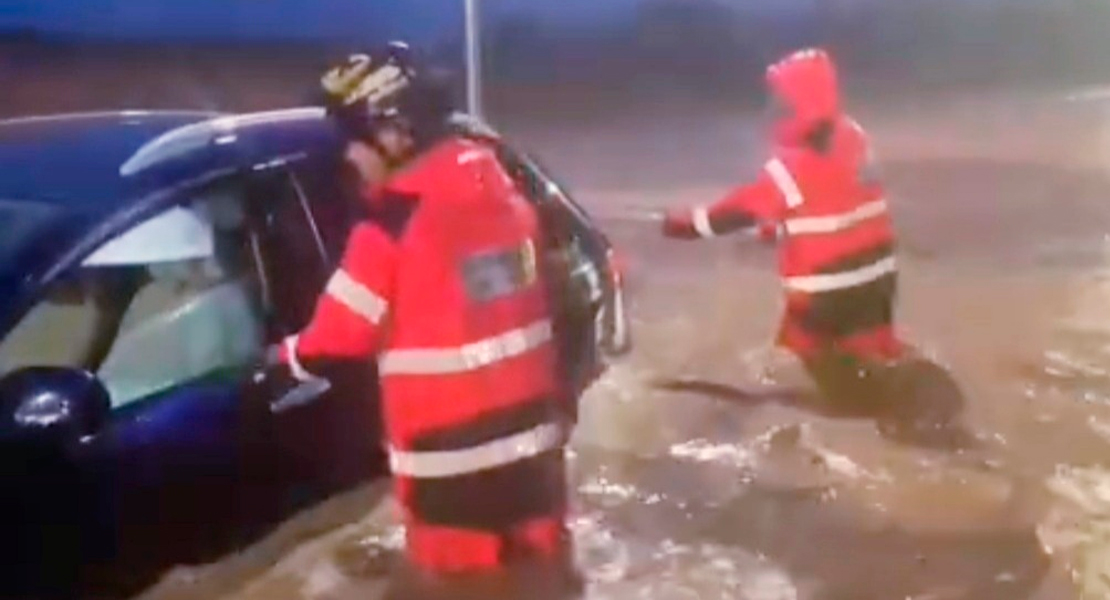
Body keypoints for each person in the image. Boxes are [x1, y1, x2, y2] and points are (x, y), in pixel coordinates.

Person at [273, 43, 575, 581]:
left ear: (393, 133)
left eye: (352, 140)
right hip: (535, 458)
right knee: (543, 574)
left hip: (450, 472)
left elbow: (340, 334)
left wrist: (284, 358)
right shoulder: (510, 200)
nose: (349, 157)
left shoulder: (389, 226)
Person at [661, 48, 902, 411]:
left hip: (824, 293)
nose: (775, 107)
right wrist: (782, 228)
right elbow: (842, 199)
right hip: (880, 279)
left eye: (781, 99)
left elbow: (733, 213)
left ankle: (857, 403)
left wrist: (687, 225)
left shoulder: (787, 168)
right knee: (868, 344)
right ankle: (885, 377)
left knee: (813, 355)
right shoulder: (856, 136)